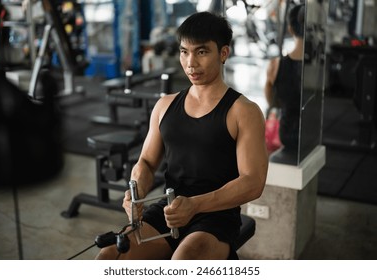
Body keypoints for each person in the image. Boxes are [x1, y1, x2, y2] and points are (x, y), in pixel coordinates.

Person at [96, 11, 268, 260]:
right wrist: (136, 194)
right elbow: (145, 162)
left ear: (223, 53)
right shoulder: (164, 105)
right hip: (169, 210)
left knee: (183, 261)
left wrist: (195, 205)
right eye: (184, 52)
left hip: (216, 216)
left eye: (201, 52)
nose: (190, 63)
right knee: (108, 256)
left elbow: (253, 182)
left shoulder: (244, 111)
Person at [264, 3, 305, 154]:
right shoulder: (319, 67)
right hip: (310, 135)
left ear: (290, 28)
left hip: (286, 133)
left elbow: (271, 101)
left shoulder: (275, 64)